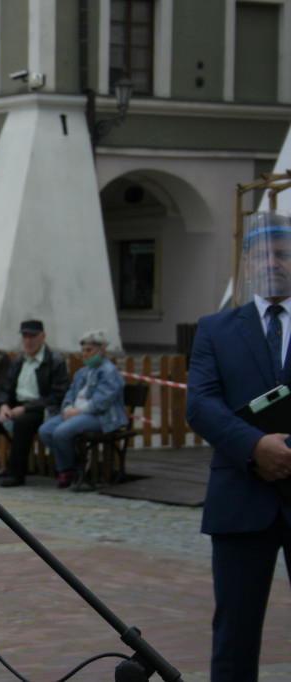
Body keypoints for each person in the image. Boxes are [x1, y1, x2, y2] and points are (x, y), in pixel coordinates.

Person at [186, 210, 291, 682]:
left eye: (284, 252)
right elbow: (202, 405)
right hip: (240, 497)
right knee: (234, 635)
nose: (274, 261)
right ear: (247, 263)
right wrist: (254, 447)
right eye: (263, 253)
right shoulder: (215, 328)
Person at [0, 319, 69, 487]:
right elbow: (6, 389)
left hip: (41, 409)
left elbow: (57, 395)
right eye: (25, 336)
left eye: (33, 336)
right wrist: (3, 406)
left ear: (43, 337)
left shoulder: (54, 361)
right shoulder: (19, 361)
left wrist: (25, 408)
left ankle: (15, 472)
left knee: (23, 423)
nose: (28, 341)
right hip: (16, 407)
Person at [37, 329, 126, 488]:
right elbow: (71, 393)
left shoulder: (108, 371)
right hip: (77, 413)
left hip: (101, 417)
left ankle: (68, 469)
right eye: (83, 350)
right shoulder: (83, 372)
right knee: (45, 430)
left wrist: (77, 411)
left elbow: (102, 401)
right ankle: (76, 462)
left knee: (61, 432)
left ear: (101, 351)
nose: (85, 354)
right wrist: (68, 407)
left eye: (89, 350)